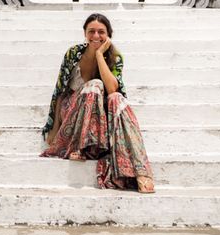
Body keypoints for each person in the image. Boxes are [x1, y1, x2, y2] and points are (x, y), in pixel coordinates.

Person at [41, 13, 155, 193]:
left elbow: (112, 89)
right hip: (73, 111)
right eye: (91, 31)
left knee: (117, 99)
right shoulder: (73, 54)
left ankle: (141, 172)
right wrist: (54, 129)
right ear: (84, 33)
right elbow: (60, 92)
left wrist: (100, 55)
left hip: (101, 114)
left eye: (101, 32)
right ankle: (83, 145)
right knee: (94, 85)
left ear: (109, 34)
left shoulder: (115, 57)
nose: (95, 36)